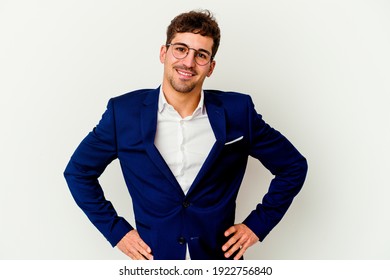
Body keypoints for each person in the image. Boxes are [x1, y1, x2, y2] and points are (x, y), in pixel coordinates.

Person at [64, 10, 308, 260]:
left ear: (211, 67)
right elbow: (78, 172)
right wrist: (117, 233)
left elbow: (293, 166)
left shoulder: (238, 112)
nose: (188, 63)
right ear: (163, 53)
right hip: (155, 261)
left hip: (219, 261)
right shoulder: (123, 113)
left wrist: (257, 225)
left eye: (201, 55)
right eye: (180, 49)